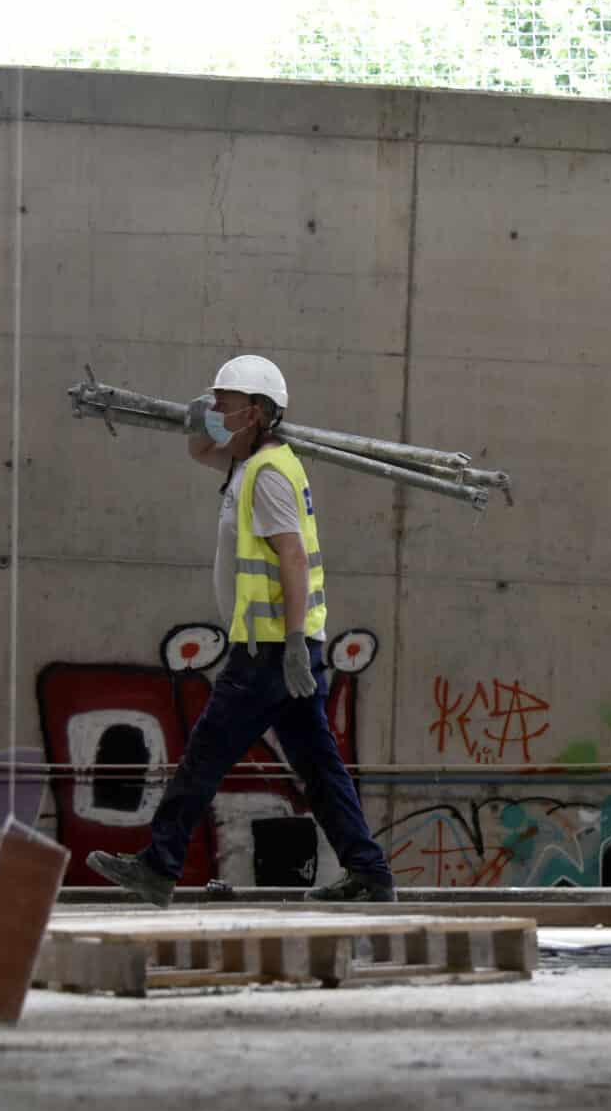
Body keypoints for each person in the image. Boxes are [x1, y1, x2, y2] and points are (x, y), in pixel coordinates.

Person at [88, 355, 396, 907]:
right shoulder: (248, 462)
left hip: (272, 650)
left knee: (205, 756)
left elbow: (293, 560)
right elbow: (204, 450)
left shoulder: (270, 475)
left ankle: (158, 866)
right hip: (281, 647)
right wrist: (197, 423)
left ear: (254, 413)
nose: (215, 410)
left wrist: (297, 643)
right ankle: (369, 873)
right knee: (320, 768)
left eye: (224, 404)